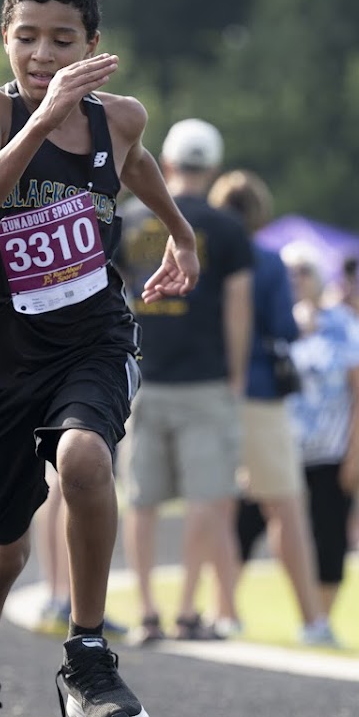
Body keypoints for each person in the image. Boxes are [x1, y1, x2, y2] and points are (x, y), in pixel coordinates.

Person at [0, 0, 200, 717]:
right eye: (27, 38)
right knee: (3, 552)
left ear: (93, 45)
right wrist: (43, 117)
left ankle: (88, 655)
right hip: (0, 360)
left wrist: (181, 233)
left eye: (61, 40)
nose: (42, 55)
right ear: (4, 39)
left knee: (85, 460)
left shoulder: (120, 117)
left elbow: (136, 163)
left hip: (92, 339)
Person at [116, 119, 253, 643]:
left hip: (142, 376)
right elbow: (238, 309)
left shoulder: (130, 218)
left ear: (167, 162)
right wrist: (236, 377)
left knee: (142, 499)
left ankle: (146, 612)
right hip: (205, 378)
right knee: (206, 497)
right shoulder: (227, 227)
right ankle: (188, 610)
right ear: (212, 167)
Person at [210, 170, 333, 646]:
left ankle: (223, 611)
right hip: (260, 392)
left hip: (210, 390)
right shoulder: (266, 262)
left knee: (218, 506)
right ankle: (312, 620)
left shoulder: (205, 256)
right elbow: (284, 327)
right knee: (286, 506)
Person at [280, 243, 359, 622]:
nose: (296, 279)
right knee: (257, 528)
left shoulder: (343, 323)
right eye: (289, 272)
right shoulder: (277, 320)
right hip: (283, 449)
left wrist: (357, 454)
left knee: (330, 537)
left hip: (331, 450)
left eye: (303, 271)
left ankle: (321, 620)